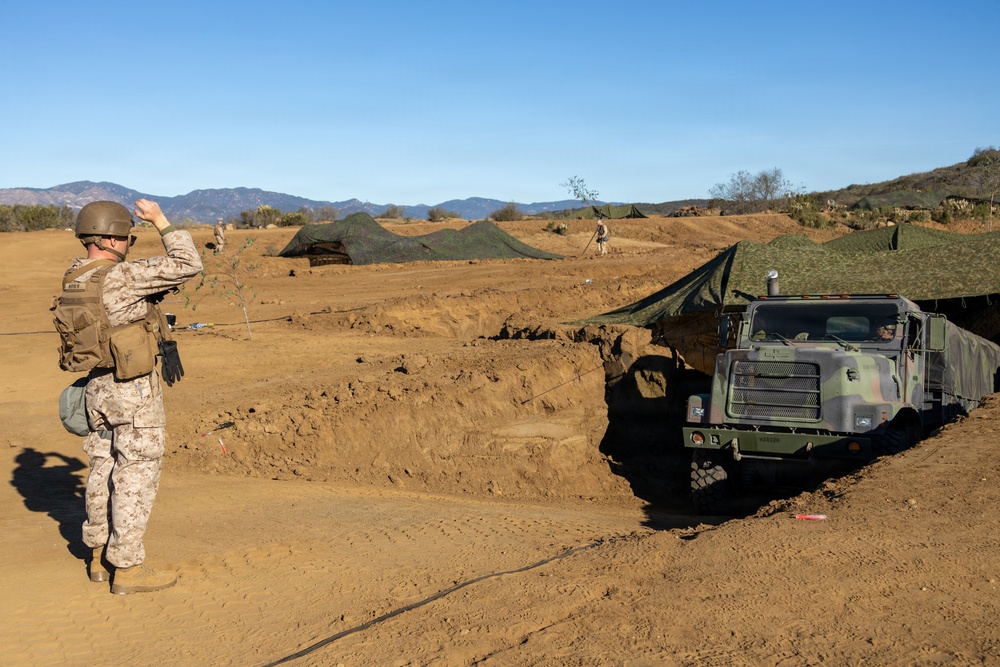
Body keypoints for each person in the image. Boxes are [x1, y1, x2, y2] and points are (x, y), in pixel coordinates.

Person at [65, 199, 202, 594]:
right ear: (110, 237)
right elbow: (188, 262)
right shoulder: (124, 276)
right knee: (135, 473)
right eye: (127, 236)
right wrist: (160, 220)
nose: (129, 244)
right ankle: (125, 567)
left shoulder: (73, 276)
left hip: (95, 387)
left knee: (101, 468)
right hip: (132, 388)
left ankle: (96, 556)